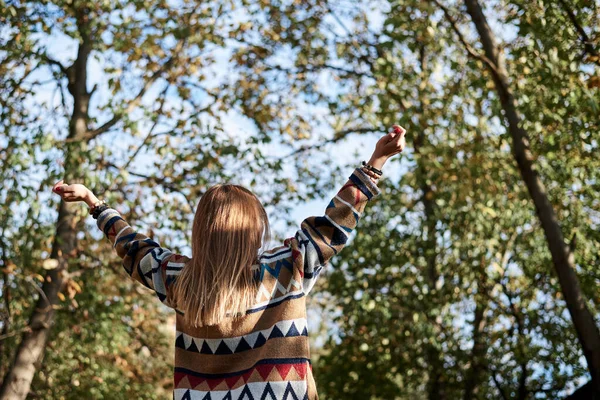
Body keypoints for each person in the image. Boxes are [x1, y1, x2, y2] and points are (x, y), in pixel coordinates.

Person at [52, 126, 406, 400]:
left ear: (201, 232)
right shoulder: (286, 269)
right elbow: (335, 223)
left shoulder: (180, 281)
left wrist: (96, 205)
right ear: (255, 231)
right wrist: (375, 164)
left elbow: (135, 250)